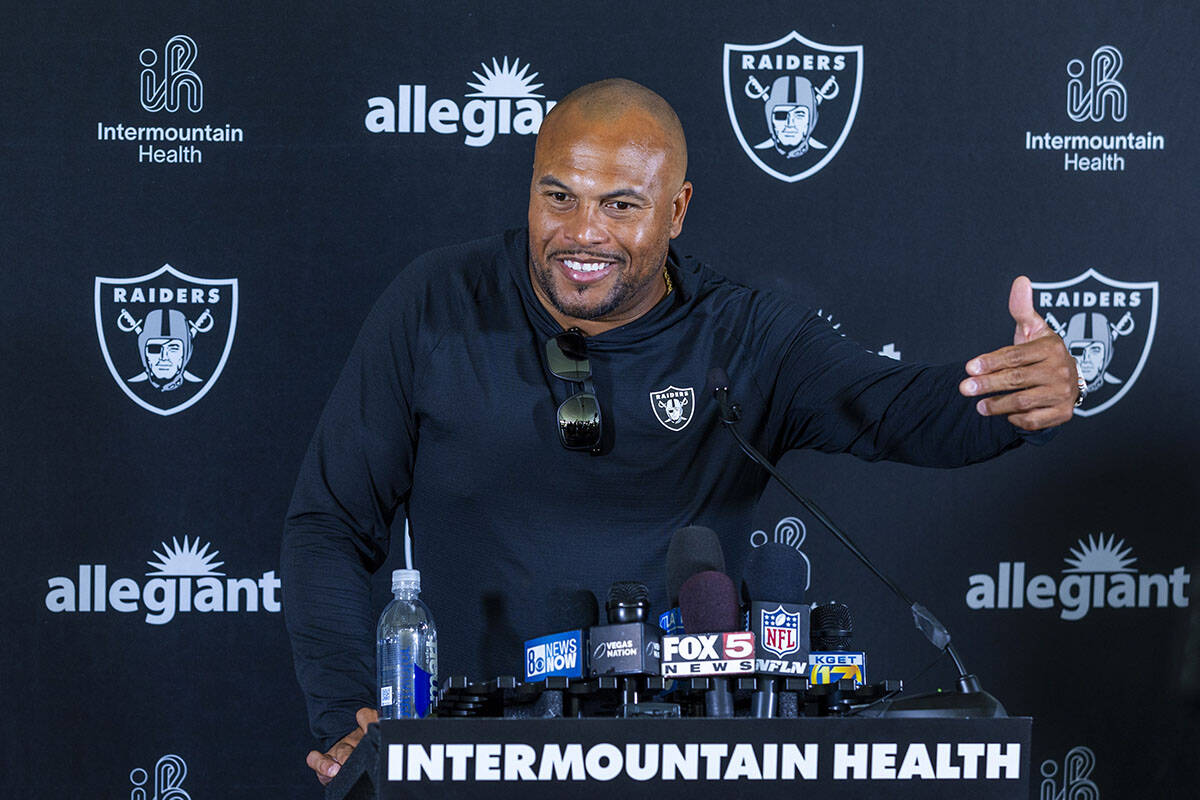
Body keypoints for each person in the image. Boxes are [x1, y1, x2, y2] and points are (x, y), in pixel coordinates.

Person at [282, 78, 1080, 785]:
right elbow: (328, 523)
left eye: (620, 205)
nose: (581, 233)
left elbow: (900, 409)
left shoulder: (741, 337)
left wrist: (1016, 396)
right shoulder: (435, 302)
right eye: (557, 196)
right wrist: (347, 705)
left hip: (682, 759)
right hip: (467, 755)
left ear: (677, 210)